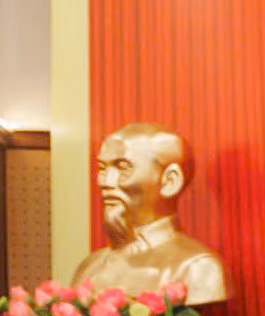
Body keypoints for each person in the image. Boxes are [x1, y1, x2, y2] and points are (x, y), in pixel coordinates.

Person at [69, 122, 229, 304]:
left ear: (170, 181)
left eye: (123, 167)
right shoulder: (90, 266)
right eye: (102, 168)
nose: (104, 182)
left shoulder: (198, 268)